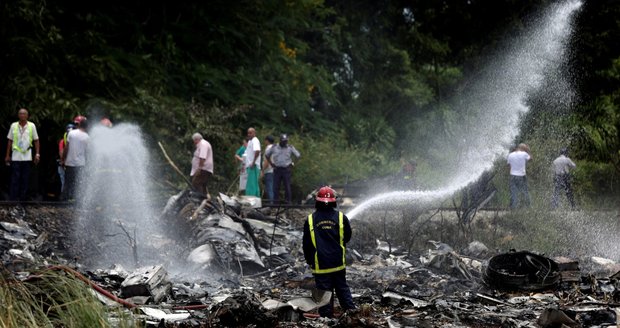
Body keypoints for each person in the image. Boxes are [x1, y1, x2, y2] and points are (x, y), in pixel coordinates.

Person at [302, 186, 355, 318]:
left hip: (320, 265)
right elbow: (347, 237)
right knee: (342, 289)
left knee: (324, 294)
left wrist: (310, 261)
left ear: (317, 201)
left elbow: (306, 244)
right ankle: (352, 314)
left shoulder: (310, 220)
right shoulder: (342, 218)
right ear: (334, 201)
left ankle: (326, 320)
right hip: (338, 263)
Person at [5, 108, 40, 201]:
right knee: (15, 178)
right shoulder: (14, 125)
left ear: (27, 116)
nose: (22, 115)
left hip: (27, 156)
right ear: (18, 115)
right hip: (16, 155)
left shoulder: (31, 125)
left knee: (25, 178)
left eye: (24, 114)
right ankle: (13, 198)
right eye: (20, 114)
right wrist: (7, 155)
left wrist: (37, 154)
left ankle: (23, 198)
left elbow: (36, 140)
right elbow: (10, 141)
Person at [265, 134, 300, 204]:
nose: (285, 143)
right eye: (283, 141)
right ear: (280, 141)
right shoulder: (274, 147)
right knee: (276, 187)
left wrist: (293, 164)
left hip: (286, 169)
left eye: (286, 141)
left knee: (287, 186)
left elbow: (298, 156)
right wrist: (271, 164)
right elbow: (267, 155)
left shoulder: (290, 147)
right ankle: (276, 203)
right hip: (277, 169)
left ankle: (288, 202)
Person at [62, 116, 89, 201]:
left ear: (79, 124)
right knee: (78, 182)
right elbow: (87, 151)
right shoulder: (87, 137)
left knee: (68, 182)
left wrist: (63, 158)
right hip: (81, 163)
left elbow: (66, 147)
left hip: (70, 162)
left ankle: (65, 198)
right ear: (87, 127)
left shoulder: (71, 133)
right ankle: (77, 199)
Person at [507, 143, 531, 209]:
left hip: (512, 175)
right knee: (525, 191)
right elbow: (530, 159)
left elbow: (509, 166)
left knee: (513, 193)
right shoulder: (524, 154)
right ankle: (528, 207)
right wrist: (528, 150)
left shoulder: (510, 155)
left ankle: (513, 208)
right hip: (522, 175)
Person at [190, 133, 213, 198]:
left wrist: (199, 168)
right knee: (202, 185)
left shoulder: (203, 144)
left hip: (204, 169)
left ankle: (200, 199)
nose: (194, 143)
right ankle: (205, 199)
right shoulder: (202, 144)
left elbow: (202, 157)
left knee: (196, 183)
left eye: (194, 141)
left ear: (196, 139)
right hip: (203, 169)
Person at [57, 123, 75, 195]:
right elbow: (61, 151)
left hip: (71, 163)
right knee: (65, 181)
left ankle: (69, 196)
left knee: (69, 181)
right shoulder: (63, 141)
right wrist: (63, 161)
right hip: (65, 164)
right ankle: (65, 197)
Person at [244, 127, 261, 197]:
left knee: (251, 185)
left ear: (254, 133)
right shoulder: (250, 142)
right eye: (248, 133)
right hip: (250, 165)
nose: (249, 134)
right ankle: (256, 200)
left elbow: (257, 151)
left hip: (253, 166)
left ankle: (251, 200)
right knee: (254, 184)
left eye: (250, 133)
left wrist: (253, 162)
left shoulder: (255, 140)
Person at [262, 135, 275, 202]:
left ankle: (271, 203)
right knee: (272, 187)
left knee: (269, 187)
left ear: (267, 141)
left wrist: (263, 170)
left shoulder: (268, 149)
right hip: (274, 170)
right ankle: (273, 203)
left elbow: (266, 161)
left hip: (269, 170)